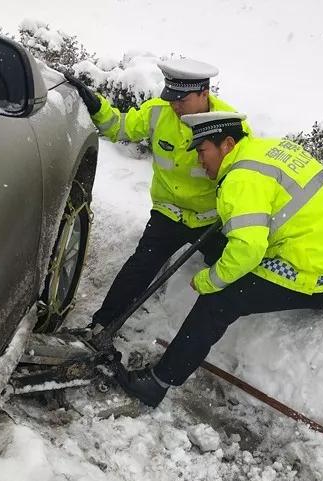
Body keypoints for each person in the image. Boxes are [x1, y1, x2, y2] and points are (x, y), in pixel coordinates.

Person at [115, 112, 323, 407]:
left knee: (220, 300)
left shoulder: (240, 180)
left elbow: (248, 250)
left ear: (228, 144)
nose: (199, 160)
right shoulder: (264, 150)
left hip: (317, 272)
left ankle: (158, 382)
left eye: (202, 150)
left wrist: (209, 280)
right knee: (227, 252)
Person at [62, 59, 250, 333]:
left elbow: (245, 176)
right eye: (171, 97)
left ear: (204, 94)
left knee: (228, 276)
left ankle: (208, 339)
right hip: (169, 213)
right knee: (139, 267)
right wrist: (96, 104)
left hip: (210, 221)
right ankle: (102, 326)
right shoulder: (159, 112)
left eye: (182, 100)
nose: (175, 106)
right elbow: (118, 126)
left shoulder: (230, 125)